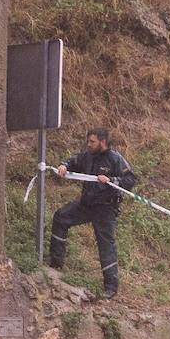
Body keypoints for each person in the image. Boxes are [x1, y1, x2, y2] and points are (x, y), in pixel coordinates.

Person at [49, 128, 137, 299]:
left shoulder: (115, 159)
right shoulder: (87, 155)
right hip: (86, 203)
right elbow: (73, 160)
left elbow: (131, 179)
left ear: (102, 142)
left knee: (105, 244)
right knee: (60, 218)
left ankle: (110, 287)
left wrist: (112, 180)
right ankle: (56, 263)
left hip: (105, 208)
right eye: (88, 141)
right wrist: (64, 165)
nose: (88, 144)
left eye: (92, 142)